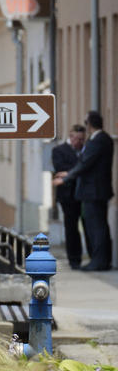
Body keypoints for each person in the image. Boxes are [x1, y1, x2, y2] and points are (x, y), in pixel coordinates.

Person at [54, 111, 113, 271]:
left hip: (93, 191)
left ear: (89, 125)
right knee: (98, 226)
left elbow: (85, 163)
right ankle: (101, 260)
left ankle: (99, 261)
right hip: (95, 191)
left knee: (96, 228)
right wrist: (68, 174)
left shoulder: (97, 141)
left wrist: (66, 178)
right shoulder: (104, 139)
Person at [52, 125, 87, 268]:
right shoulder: (59, 150)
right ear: (71, 137)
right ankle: (74, 259)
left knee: (87, 226)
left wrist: (70, 172)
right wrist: (77, 170)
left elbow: (84, 167)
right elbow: (60, 168)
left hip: (84, 195)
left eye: (82, 139)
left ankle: (90, 256)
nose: (79, 142)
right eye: (77, 139)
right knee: (71, 228)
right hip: (67, 196)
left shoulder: (85, 150)